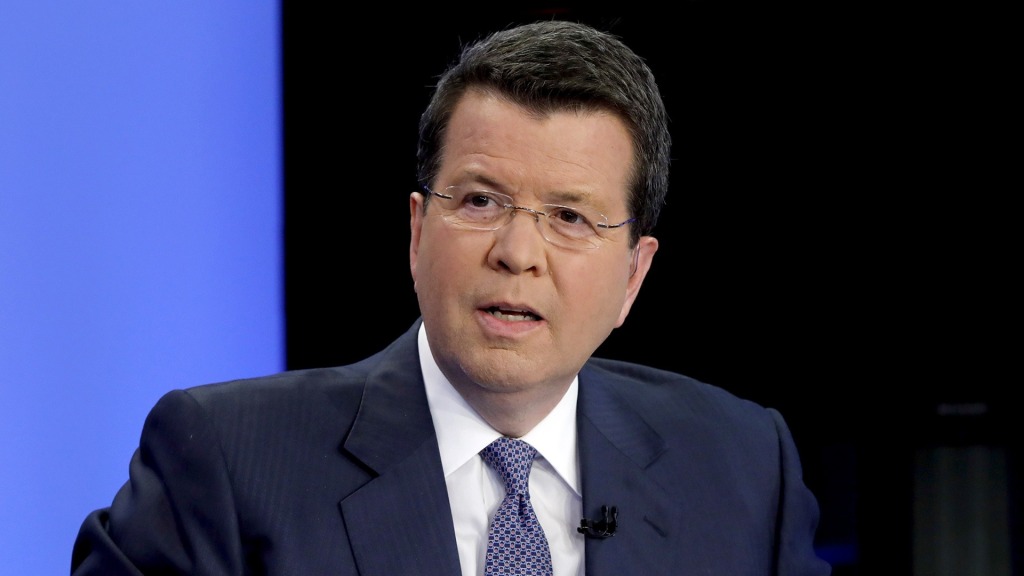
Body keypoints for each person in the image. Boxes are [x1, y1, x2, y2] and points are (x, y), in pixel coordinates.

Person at [71, 19, 831, 576]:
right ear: (417, 230)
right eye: (480, 201)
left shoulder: (742, 468)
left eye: (570, 218)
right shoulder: (224, 464)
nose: (517, 253)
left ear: (634, 274)